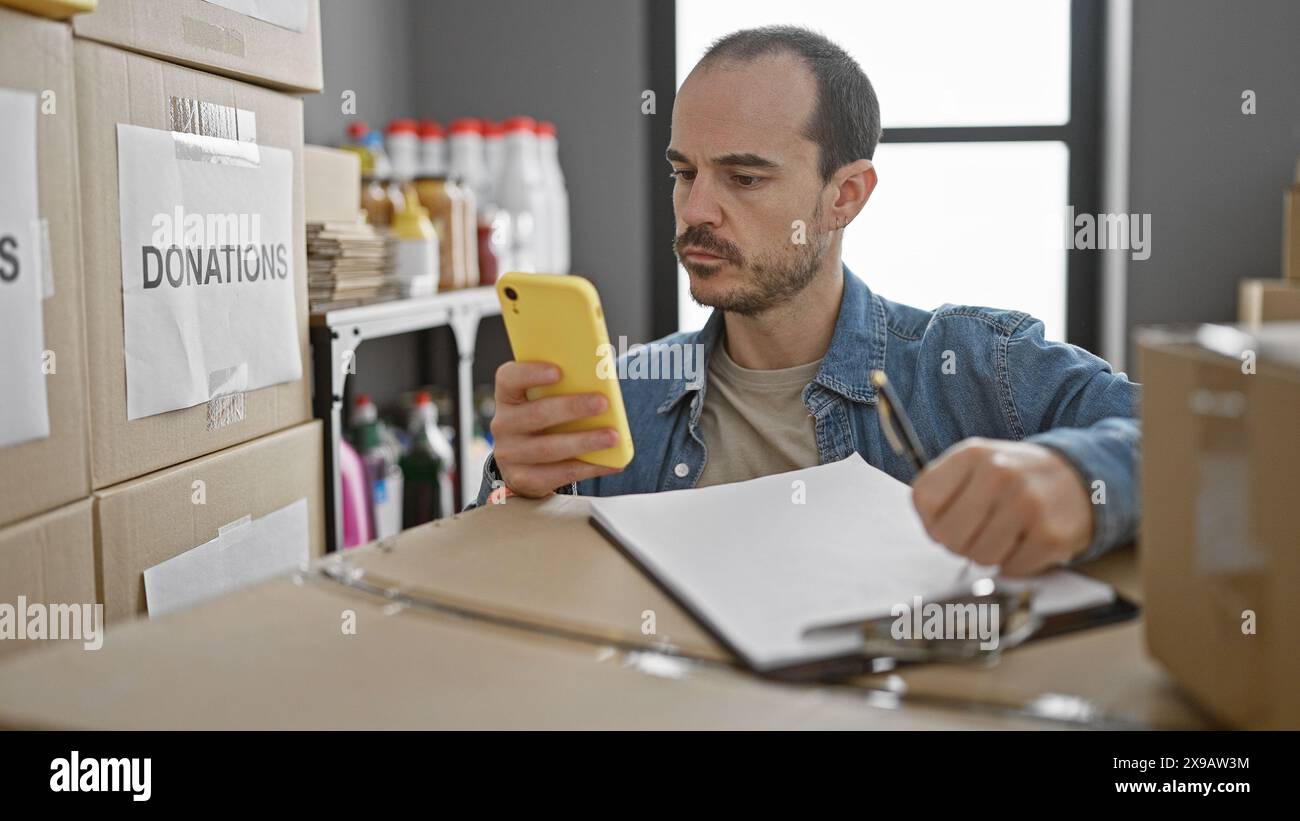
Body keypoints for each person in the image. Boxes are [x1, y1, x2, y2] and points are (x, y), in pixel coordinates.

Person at [476, 26, 1140, 577]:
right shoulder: (615, 402)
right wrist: (513, 488)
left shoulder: (976, 366)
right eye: (684, 173)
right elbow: (508, 595)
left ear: (844, 195)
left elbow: (1203, 443)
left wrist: (1081, 478)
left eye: (744, 177)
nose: (695, 209)